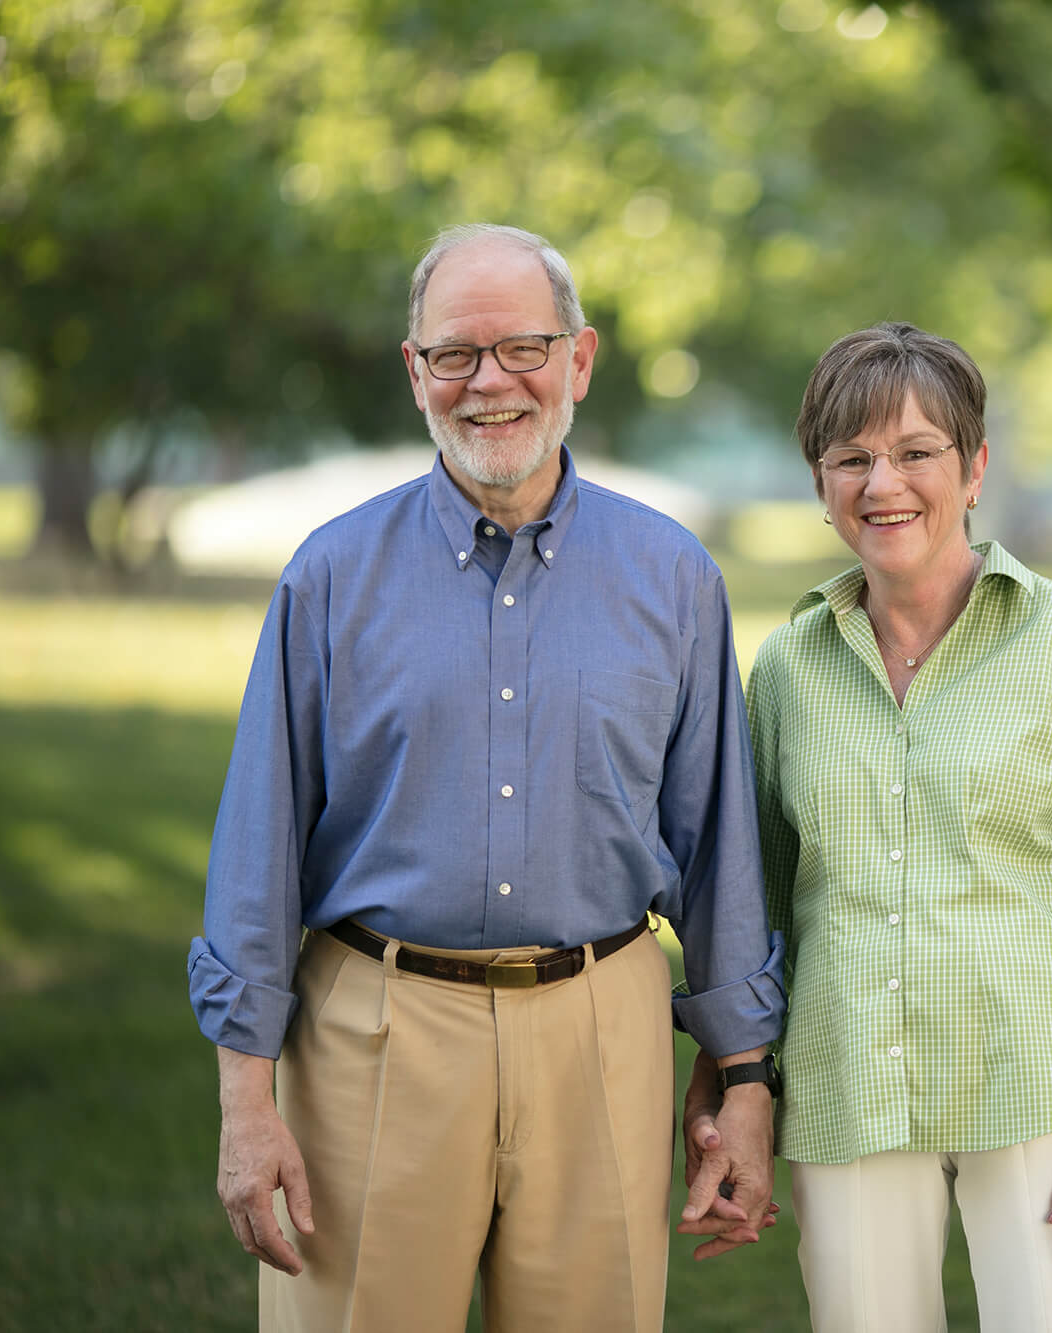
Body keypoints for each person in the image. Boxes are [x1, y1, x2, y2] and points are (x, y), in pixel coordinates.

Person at [188, 222, 785, 1333]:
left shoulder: (671, 577)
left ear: (579, 360)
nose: (489, 383)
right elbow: (257, 850)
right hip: (371, 1037)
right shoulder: (329, 576)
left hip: (603, 1035)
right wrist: (244, 1103)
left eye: (522, 346)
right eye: (454, 354)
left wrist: (744, 1081)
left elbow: (717, 854)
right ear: (414, 373)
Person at [684, 322, 1052, 1332]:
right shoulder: (788, 667)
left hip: (1035, 1085)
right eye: (851, 459)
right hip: (846, 1086)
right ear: (820, 481)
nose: (883, 484)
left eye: (916, 452)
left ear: (972, 468)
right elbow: (754, 910)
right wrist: (725, 1101)